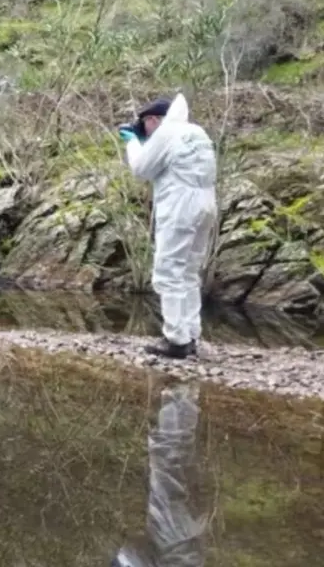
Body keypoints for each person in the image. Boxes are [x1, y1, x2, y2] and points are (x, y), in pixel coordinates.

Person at [119, 94, 217, 360]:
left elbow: (141, 169)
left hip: (180, 206)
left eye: (145, 127)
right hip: (206, 204)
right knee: (189, 271)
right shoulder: (197, 132)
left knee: (168, 270)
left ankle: (175, 339)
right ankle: (191, 334)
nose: (146, 133)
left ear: (152, 120)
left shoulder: (167, 132)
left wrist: (132, 143)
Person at [111, 381, 206, 567]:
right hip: (175, 535)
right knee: (170, 458)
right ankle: (181, 389)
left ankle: (184, 393)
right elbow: (133, 554)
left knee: (180, 458)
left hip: (186, 535)